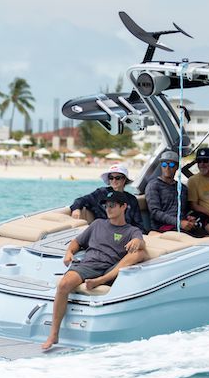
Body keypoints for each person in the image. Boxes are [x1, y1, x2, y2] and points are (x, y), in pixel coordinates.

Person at [42, 191, 147, 350]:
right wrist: (69, 252)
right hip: (89, 264)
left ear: (124, 206)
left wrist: (137, 241)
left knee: (140, 253)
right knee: (63, 284)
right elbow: (76, 242)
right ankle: (54, 334)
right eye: (106, 205)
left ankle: (100, 281)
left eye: (112, 205)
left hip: (110, 269)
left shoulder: (131, 230)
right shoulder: (97, 224)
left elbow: (141, 243)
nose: (108, 209)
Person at [69, 163, 145, 231]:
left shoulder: (132, 199)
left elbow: (138, 224)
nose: (114, 180)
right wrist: (76, 208)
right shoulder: (100, 193)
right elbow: (81, 200)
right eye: (111, 177)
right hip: (103, 233)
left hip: (125, 235)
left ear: (124, 179)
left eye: (117, 178)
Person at [144, 150, 198, 233]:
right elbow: (155, 212)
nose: (167, 168)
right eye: (164, 164)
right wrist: (178, 223)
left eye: (171, 165)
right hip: (163, 229)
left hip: (182, 226)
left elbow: (186, 209)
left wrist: (190, 217)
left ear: (177, 167)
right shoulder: (153, 185)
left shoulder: (182, 188)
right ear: (161, 166)